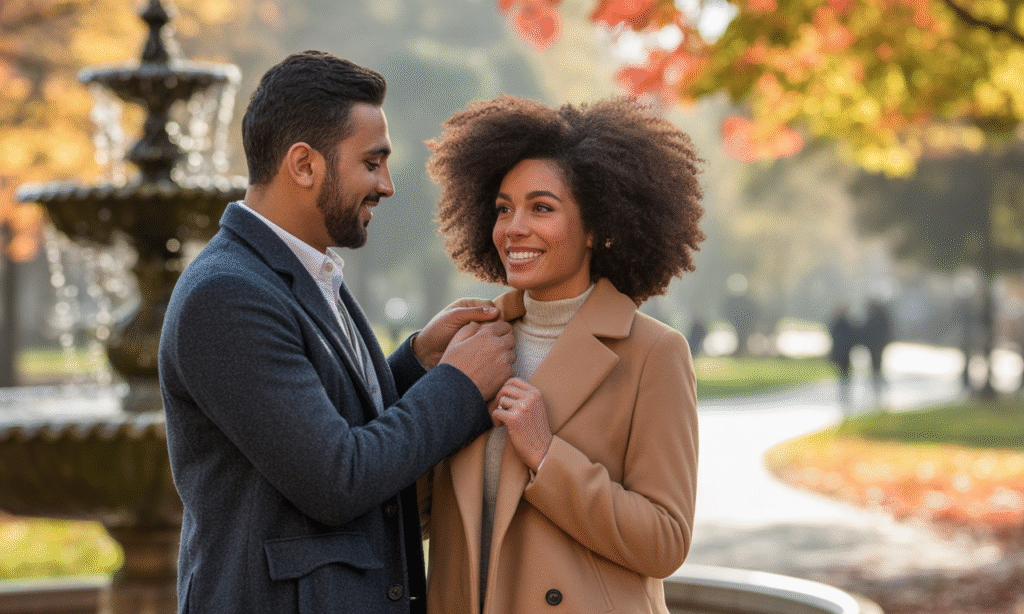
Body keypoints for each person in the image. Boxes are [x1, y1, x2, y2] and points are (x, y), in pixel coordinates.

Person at [158, 51, 516, 614]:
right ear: (304, 165)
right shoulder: (225, 296)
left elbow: (325, 417)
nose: (388, 186)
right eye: (372, 163)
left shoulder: (305, 269)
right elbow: (336, 478)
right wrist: (458, 385)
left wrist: (417, 362)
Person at [420, 95, 704, 613]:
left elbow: (665, 541)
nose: (513, 229)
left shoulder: (653, 354)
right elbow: (412, 511)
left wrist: (548, 454)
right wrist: (429, 379)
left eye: (542, 208)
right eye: (504, 208)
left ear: (598, 227)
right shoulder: (470, 344)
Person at [828, 305, 856, 411]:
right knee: (845, 376)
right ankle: (845, 398)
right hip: (843, 354)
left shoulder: (836, 323)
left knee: (843, 377)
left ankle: (844, 397)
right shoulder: (846, 324)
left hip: (839, 354)